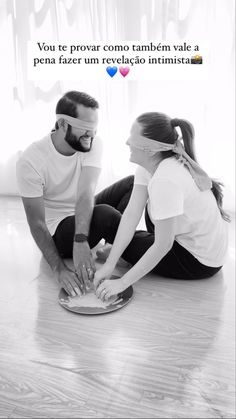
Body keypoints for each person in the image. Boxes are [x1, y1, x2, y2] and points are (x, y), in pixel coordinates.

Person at [93, 112, 229, 301]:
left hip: (198, 262)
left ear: (150, 149)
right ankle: (127, 253)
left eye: (132, 136)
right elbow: (131, 214)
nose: (127, 142)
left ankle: (128, 254)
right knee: (130, 223)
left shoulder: (165, 179)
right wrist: (109, 264)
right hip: (187, 241)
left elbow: (163, 244)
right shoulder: (148, 167)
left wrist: (121, 282)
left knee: (107, 221)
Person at [16, 91, 134, 297]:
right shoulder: (31, 161)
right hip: (58, 231)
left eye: (94, 128)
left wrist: (81, 239)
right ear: (62, 124)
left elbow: (86, 193)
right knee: (106, 214)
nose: (91, 135)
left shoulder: (92, 143)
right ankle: (152, 251)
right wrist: (59, 269)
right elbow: (36, 223)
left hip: (81, 213)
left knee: (132, 183)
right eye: (86, 129)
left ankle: (115, 247)